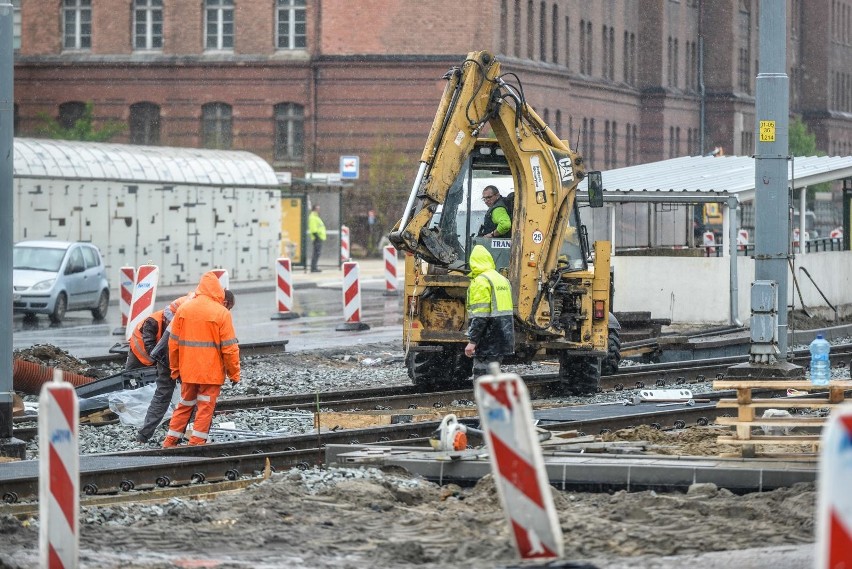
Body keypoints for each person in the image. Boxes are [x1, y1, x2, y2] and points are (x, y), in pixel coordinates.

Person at [135, 289, 234, 444]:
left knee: (179, 398)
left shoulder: (193, 301)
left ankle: (155, 437)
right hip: (178, 356)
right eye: (228, 308)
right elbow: (227, 347)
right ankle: (193, 438)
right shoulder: (206, 309)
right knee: (195, 398)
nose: (226, 310)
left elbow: (175, 334)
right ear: (224, 302)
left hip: (171, 353)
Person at [162, 273, 240, 447]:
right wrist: (234, 374)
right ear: (218, 291)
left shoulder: (184, 309)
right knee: (205, 407)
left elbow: (173, 344)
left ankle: (170, 441)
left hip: (188, 371)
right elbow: (229, 349)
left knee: (184, 405)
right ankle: (196, 442)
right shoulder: (221, 313)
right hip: (210, 373)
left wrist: (175, 369)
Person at [463, 245, 515, 377]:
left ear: (473, 262)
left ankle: (483, 398)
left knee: (482, 374)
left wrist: (472, 341)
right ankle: (495, 397)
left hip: (488, 338)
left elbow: (480, 317)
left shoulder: (481, 281)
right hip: (503, 335)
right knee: (493, 372)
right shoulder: (502, 279)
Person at [308, 204, 327, 272]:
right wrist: (317, 237)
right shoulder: (313, 217)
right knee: (316, 253)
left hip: (319, 238)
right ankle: (313, 268)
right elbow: (313, 229)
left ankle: (314, 267)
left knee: (317, 253)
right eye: (318, 209)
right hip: (317, 238)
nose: (319, 210)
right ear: (314, 209)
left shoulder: (316, 217)